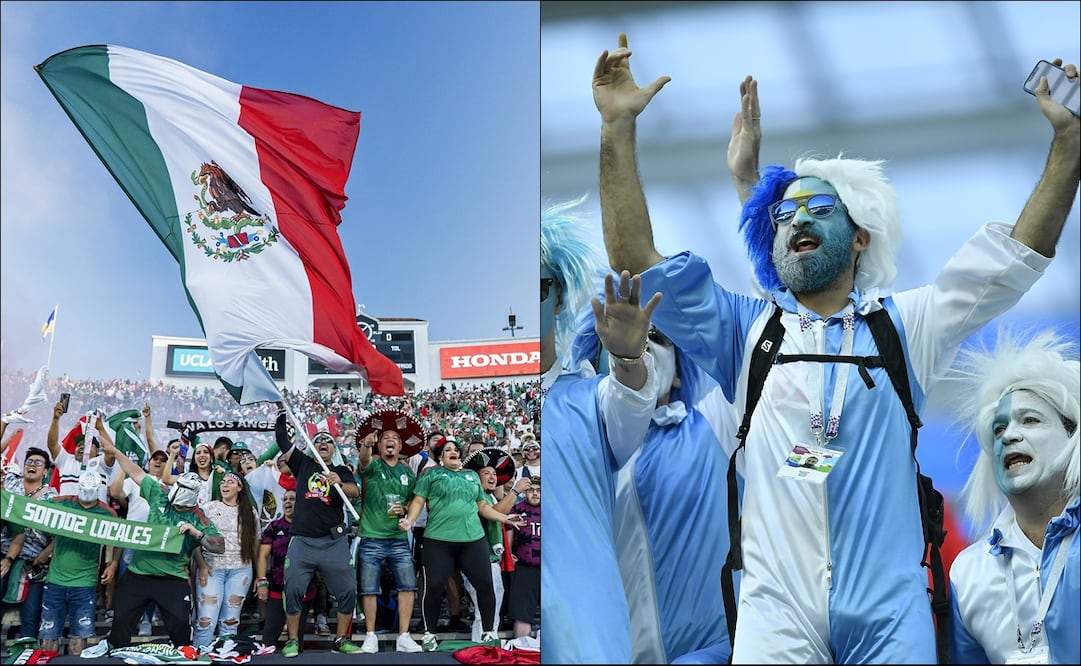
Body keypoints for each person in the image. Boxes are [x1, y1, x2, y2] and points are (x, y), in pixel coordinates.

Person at [592, 32, 1079, 663]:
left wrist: (1069, 145)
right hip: (775, 617)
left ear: (859, 237)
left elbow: (1018, 256)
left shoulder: (908, 324)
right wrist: (616, 129)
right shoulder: (745, 331)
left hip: (889, 618)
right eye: (784, 216)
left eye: (818, 208)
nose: (795, 221)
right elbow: (637, 263)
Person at [571, 311, 738, 664]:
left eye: (657, 338)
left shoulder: (716, 422)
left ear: (678, 373)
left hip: (716, 651)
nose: (638, 345)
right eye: (617, 338)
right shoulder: (578, 454)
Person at [540, 197, 663, 664]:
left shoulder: (590, 397)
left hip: (586, 631)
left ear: (559, 296)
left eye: (541, 285)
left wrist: (629, 358)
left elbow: (629, 402)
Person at [947, 330, 1079, 664]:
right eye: (998, 429)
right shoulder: (968, 573)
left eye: (1030, 420)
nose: (1010, 436)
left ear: (1073, 434)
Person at [86, 414, 225, 655]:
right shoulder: (160, 493)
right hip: (138, 573)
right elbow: (136, 472)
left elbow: (219, 545)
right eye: (176, 487)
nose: (175, 491)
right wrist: (116, 452)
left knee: (182, 631)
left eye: (182, 490)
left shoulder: (198, 516)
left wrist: (197, 534)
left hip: (172, 579)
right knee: (120, 625)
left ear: (191, 495)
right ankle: (112, 651)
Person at [397, 436, 526, 651]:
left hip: (472, 540)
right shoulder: (431, 474)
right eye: (447, 449)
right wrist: (409, 520)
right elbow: (419, 500)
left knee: (486, 585)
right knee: (434, 586)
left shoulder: (472, 477)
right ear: (440, 457)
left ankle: (488, 632)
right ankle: (430, 633)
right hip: (438, 540)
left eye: (455, 449)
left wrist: (504, 518)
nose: (452, 452)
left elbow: (483, 506)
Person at [272, 407, 363, 657]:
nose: (323, 442)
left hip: (333, 542)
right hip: (303, 541)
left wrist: (339, 482)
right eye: (318, 440)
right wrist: (281, 415)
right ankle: (292, 640)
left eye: (328, 441)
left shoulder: (342, 470)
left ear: (334, 449)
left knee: (347, 590)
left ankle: (340, 640)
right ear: (312, 447)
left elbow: (354, 493)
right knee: (293, 589)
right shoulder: (302, 463)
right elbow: (281, 440)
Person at [353, 409, 425, 654]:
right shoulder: (372, 464)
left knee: (408, 585)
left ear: (401, 444)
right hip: (371, 537)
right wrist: (366, 445)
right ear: (380, 444)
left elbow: (414, 501)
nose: (390, 440)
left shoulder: (407, 472)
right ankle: (371, 635)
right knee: (369, 588)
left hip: (398, 539)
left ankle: (404, 636)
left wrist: (405, 509)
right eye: (385, 438)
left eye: (394, 437)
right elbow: (363, 461)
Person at [38, 471, 121, 656]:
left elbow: (121, 538)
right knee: (49, 636)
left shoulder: (107, 513)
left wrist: (113, 564)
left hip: (85, 583)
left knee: (79, 638)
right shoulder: (62, 502)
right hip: (56, 580)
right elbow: (32, 509)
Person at [460, 446, 529, 643]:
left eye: (494, 473)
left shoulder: (489, 494)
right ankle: (480, 650)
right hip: (477, 558)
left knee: (491, 606)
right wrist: (515, 491)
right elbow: (493, 512)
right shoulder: (473, 493)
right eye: (486, 473)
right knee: (485, 608)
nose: (492, 476)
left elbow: (498, 507)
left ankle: (487, 647)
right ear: (475, 476)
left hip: (489, 558)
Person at [192, 471, 260, 649]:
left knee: (230, 621)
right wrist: (202, 566)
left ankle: (225, 655)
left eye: (230, 482)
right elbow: (195, 541)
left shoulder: (250, 512)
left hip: (241, 570)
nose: (225, 485)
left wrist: (257, 573)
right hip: (212, 568)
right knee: (206, 619)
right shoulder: (208, 508)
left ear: (239, 487)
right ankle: (200, 656)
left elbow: (255, 544)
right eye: (223, 482)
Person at [1, 446, 57, 643]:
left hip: (33, 562)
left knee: (31, 613)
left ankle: (26, 651)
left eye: (38, 463)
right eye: (29, 462)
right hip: (4, 554)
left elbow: (59, 534)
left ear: (46, 471)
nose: (32, 465)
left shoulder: (52, 497)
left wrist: (46, 554)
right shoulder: (9, 485)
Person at [506, 476, 540, 639]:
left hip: (551, 570)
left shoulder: (554, 510)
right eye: (530, 490)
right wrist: (509, 553)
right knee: (522, 612)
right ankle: (520, 648)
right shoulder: (517, 509)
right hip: (525, 567)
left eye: (539, 490)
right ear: (525, 492)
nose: (535, 493)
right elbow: (508, 533)